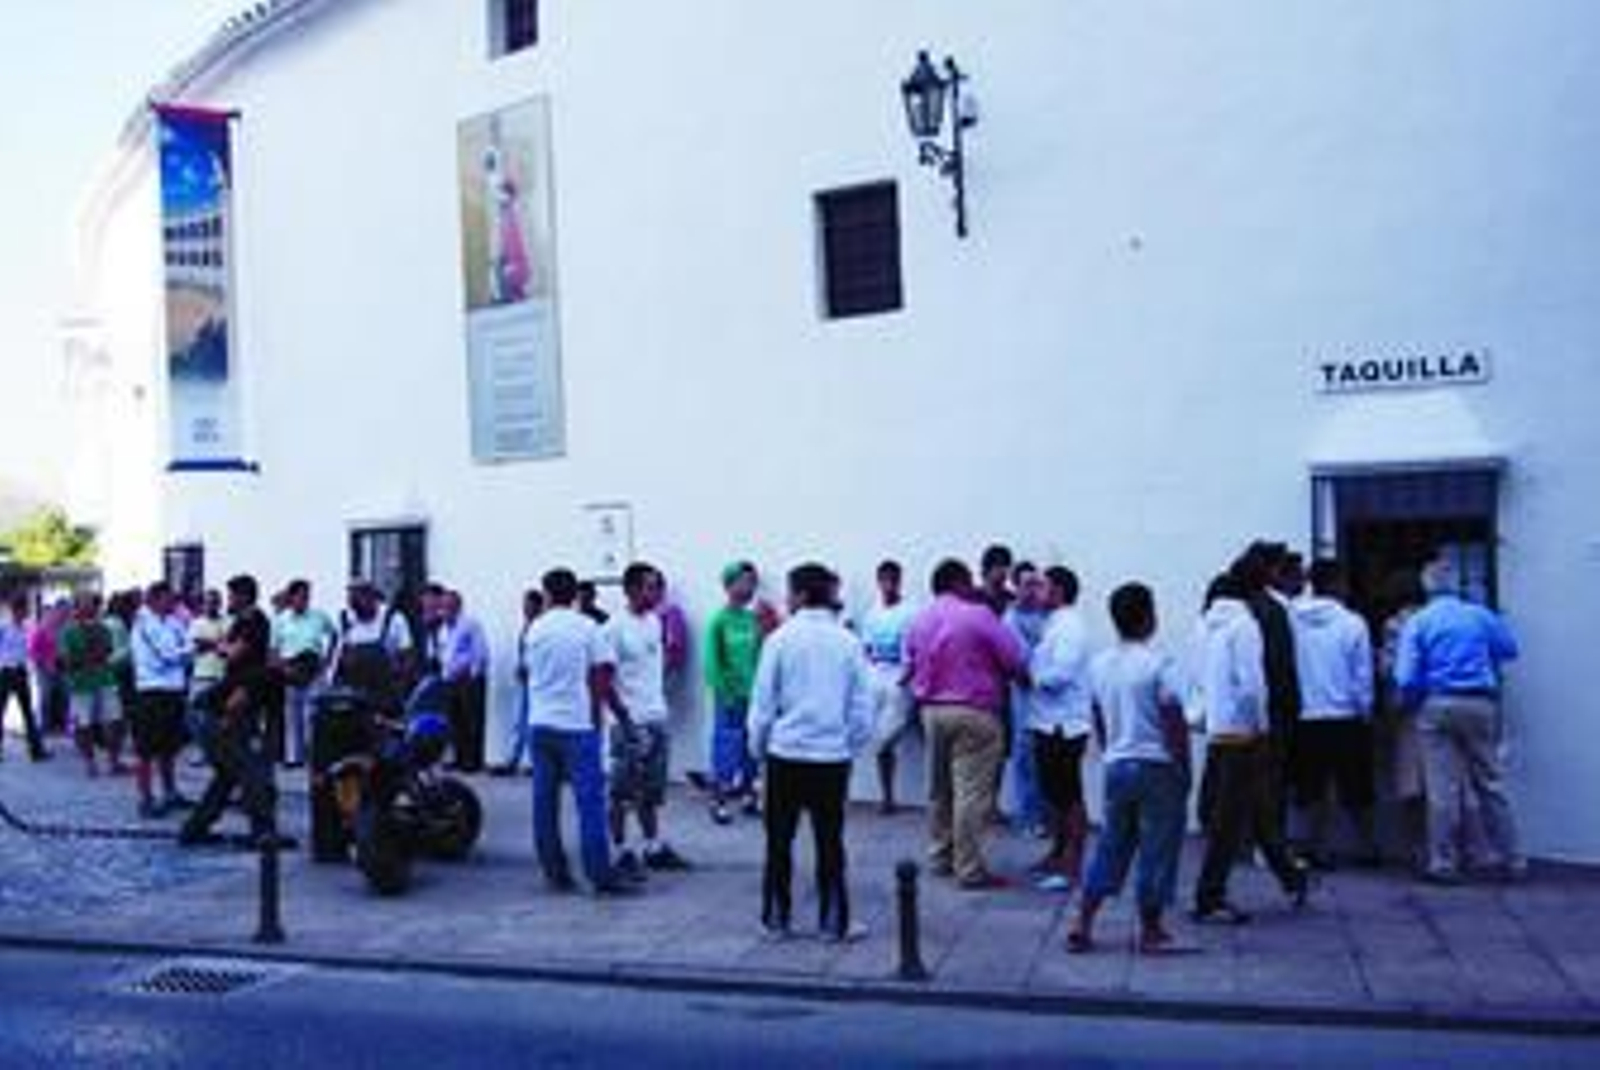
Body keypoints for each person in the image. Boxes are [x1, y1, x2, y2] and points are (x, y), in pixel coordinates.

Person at [749, 563, 876, 942]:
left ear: (801, 595)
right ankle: (833, 923)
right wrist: (846, 744)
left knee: (778, 841)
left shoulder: (779, 640)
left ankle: (775, 919)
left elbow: (762, 706)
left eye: (790, 593)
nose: (786, 600)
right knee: (830, 842)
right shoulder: (848, 642)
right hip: (830, 758)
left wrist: (759, 750)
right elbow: (861, 709)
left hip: (785, 754)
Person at [1066, 583, 1192, 955]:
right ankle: (1151, 930)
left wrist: (1110, 752)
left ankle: (1082, 922)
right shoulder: (1159, 664)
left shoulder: (1100, 665)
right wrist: (1183, 765)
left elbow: (1099, 716)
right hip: (1156, 764)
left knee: (1111, 845)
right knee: (1157, 847)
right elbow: (1173, 720)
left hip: (1117, 764)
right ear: (1149, 617)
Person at [1190, 572, 1311, 924]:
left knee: (1249, 812)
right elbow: (1252, 684)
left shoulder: (1204, 628)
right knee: (1236, 818)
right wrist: (1261, 723)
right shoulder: (1244, 626)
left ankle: (1289, 876)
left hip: (1218, 729)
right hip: (1245, 732)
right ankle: (1210, 896)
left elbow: (1197, 681)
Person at [1394, 554, 1523, 884]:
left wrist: (1417, 697)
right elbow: (1509, 649)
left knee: (1442, 789)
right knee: (1491, 783)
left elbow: (1405, 677)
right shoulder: (1479, 615)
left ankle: (1443, 863)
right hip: (1480, 703)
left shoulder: (1419, 622)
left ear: (1426, 587)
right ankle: (1514, 859)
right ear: (1456, 585)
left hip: (1437, 704)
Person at [906, 558, 1028, 889]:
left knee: (939, 789)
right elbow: (1014, 658)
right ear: (960, 583)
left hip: (931, 711)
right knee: (971, 793)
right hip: (975, 712)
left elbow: (910, 663)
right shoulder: (978, 615)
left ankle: (940, 855)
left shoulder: (920, 619)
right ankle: (969, 868)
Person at [523, 567, 635, 896]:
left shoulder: (535, 629)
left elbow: (531, 672)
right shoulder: (587, 628)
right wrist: (611, 714)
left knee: (544, 801)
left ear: (546, 594)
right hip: (577, 724)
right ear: (575, 595)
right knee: (589, 803)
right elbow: (603, 674)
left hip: (540, 723)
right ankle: (600, 874)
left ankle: (555, 872)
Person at [179, 574, 282, 848]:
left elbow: (232, 653)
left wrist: (213, 646)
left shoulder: (255, 623)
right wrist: (226, 721)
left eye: (232, 596)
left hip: (221, 708)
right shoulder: (241, 627)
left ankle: (195, 829)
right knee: (248, 771)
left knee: (230, 774)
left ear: (245, 596)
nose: (228, 601)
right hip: (215, 709)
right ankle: (262, 832)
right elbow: (231, 656)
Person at [602, 562, 690, 877]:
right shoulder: (613, 628)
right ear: (630, 589)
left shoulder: (654, 621)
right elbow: (603, 680)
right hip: (629, 722)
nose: (656, 592)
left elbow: (655, 667)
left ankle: (652, 847)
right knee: (620, 793)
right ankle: (619, 851)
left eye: (657, 586)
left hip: (655, 716)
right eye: (649, 586)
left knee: (650, 793)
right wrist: (624, 719)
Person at [1289, 559, 1378, 868]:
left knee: (1311, 787)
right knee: (1356, 787)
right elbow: (1362, 675)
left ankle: (1315, 846)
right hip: (1345, 716)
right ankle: (1366, 847)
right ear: (1338, 583)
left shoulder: (1292, 618)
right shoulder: (1354, 623)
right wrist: (1366, 711)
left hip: (1306, 715)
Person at [1027, 566, 1093, 892]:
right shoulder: (1054, 624)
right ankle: (1057, 853)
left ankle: (1073, 863)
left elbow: (1061, 675)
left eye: (1042, 587)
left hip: (1064, 725)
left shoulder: (1070, 627)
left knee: (1069, 795)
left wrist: (1029, 677)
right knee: (1053, 795)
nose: (1035, 592)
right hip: (1047, 721)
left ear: (1059, 592)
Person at [703, 561, 765, 824]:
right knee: (726, 748)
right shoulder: (718, 620)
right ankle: (718, 800)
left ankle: (750, 796)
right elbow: (711, 661)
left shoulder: (752, 620)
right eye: (745, 581)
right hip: (729, 697)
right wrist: (724, 690)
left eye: (753, 582)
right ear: (729, 585)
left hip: (754, 696)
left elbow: (761, 656)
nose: (750, 587)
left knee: (752, 748)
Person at [129, 581, 195, 817]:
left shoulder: (174, 622)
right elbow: (165, 658)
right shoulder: (143, 624)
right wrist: (187, 652)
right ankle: (145, 799)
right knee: (146, 750)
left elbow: (187, 644)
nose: (174, 602)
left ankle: (170, 792)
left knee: (169, 747)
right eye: (169, 598)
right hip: (151, 692)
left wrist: (186, 652)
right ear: (154, 599)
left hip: (173, 691)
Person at [859, 559, 916, 813]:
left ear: (899, 581)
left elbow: (916, 649)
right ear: (878, 582)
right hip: (876, 680)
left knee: (886, 738)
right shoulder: (872, 614)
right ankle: (887, 797)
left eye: (893, 580)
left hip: (900, 682)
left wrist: (907, 676)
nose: (888, 585)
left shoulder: (911, 612)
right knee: (880, 743)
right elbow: (867, 649)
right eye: (884, 580)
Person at [1002, 562, 1049, 834]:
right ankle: (1028, 819)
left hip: (1049, 700)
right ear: (1015, 587)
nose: (1031, 590)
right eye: (1026, 584)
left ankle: (1044, 817)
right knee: (1025, 758)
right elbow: (1021, 661)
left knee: (1045, 760)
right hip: (1024, 700)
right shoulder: (1010, 620)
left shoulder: (1049, 617)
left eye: (1036, 583)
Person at [59, 592, 126, 776]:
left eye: (92, 605)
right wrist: (92, 657)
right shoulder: (68, 631)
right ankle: (90, 763)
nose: (90, 608)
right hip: (80, 684)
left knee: (116, 721)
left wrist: (87, 657)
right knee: (84, 725)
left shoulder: (103, 628)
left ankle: (114, 761)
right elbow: (66, 660)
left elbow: (107, 651)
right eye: (85, 604)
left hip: (105, 679)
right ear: (77, 607)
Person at [271, 578, 336, 768]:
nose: (304, 600)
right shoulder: (281, 620)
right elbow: (274, 648)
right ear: (291, 597)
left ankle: (313, 754)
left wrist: (328, 659)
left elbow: (334, 634)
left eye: (307, 596)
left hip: (313, 668)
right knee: (292, 715)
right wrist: (281, 667)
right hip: (290, 668)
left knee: (313, 715)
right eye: (300, 596)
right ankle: (294, 757)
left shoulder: (319, 616)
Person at [331, 581, 416, 715]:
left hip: (386, 695)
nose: (356, 613)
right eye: (352, 604)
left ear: (372, 597)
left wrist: (401, 680)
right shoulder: (344, 620)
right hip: (354, 697)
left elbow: (408, 656)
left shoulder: (394, 619)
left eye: (359, 600)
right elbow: (335, 659)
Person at [493, 587, 545, 776]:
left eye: (528, 605)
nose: (525, 608)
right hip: (526, 681)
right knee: (520, 721)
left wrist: (529, 668)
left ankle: (532, 763)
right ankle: (514, 760)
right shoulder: (528, 625)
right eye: (524, 605)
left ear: (538, 606)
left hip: (537, 682)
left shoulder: (540, 626)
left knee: (532, 722)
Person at [436, 589, 489, 773]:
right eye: (443, 606)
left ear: (458, 606)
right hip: (450, 681)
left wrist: (472, 673)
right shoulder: (443, 629)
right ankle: (459, 758)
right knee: (455, 722)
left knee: (471, 721)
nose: (444, 610)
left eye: (448, 606)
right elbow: (444, 654)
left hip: (468, 682)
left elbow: (480, 651)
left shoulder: (470, 624)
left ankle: (473, 761)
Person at [1, 594, 50, 761]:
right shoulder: (3, 628)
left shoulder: (27, 628)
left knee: (28, 713)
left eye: (25, 611)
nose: (24, 614)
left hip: (21, 672)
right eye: (22, 610)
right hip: (6, 672)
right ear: (14, 610)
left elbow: (28, 650)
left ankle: (36, 751)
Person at [28, 600, 71, 736]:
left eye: (67, 611)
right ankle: (44, 726)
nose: (66, 614)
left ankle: (63, 725)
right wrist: (45, 662)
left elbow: (66, 648)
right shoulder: (43, 627)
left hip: (62, 666)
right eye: (63, 611)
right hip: (44, 667)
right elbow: (32, 651)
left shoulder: (67, 627)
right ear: (56, 611)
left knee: (65, 695)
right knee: (45, 696)